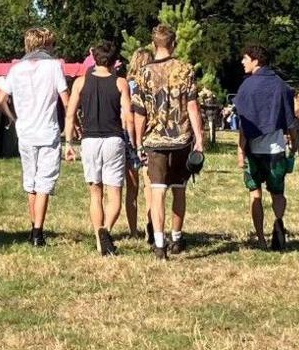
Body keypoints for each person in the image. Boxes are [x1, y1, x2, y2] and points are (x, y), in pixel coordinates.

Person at [131, 25, 205, 260]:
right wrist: (199, 138)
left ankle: (160, 244)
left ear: (154, 45)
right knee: (179, 190)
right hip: (181, 138)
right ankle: (177, 237)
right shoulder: (185, 69)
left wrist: (138, 141)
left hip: (154, 140)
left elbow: (139, 112)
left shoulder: (143, 73)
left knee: (157, 192)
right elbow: (193, 106)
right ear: (173, 44)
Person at [0, 28, 71, 247]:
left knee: (31, 181)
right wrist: (72, 126)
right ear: (46, 45)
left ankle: (33, 227)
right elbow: (65, 100)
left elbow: (1, 98)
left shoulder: (16, 68)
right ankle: (38, 231)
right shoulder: (54, 66)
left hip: (25, 131)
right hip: (47, 131)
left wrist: (13, 118)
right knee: (44, 183)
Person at [65, 41, 133, 255]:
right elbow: (129, 117)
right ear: (114, 60)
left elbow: (70, 113)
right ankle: (107, 230)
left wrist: (68, 142)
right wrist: (134, 141)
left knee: (96, 193)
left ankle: (98, 238)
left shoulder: (80, 82)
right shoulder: (120, 83)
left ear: (94, 58)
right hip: (113, 139)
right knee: (115, 195)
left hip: (90, 140)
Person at [234, 44, 298, 250]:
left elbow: (244, 123)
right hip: (276, 148)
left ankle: (261, 239)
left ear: (256, 60)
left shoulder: (246, 87)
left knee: (255, 194)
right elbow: (290, 120)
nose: (242, 62)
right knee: (277, 193)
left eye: (245, 58)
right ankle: (278, 221)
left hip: (254, 148)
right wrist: (294, 144)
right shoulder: (281, 85)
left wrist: (240, 150)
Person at [125, 48, 153, 240]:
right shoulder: (150, 85)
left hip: (128, 138)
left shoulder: (126, 85)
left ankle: (133, 230)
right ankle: (151, 226)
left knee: (131, 188)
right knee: (150, 186)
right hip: (147, 137)